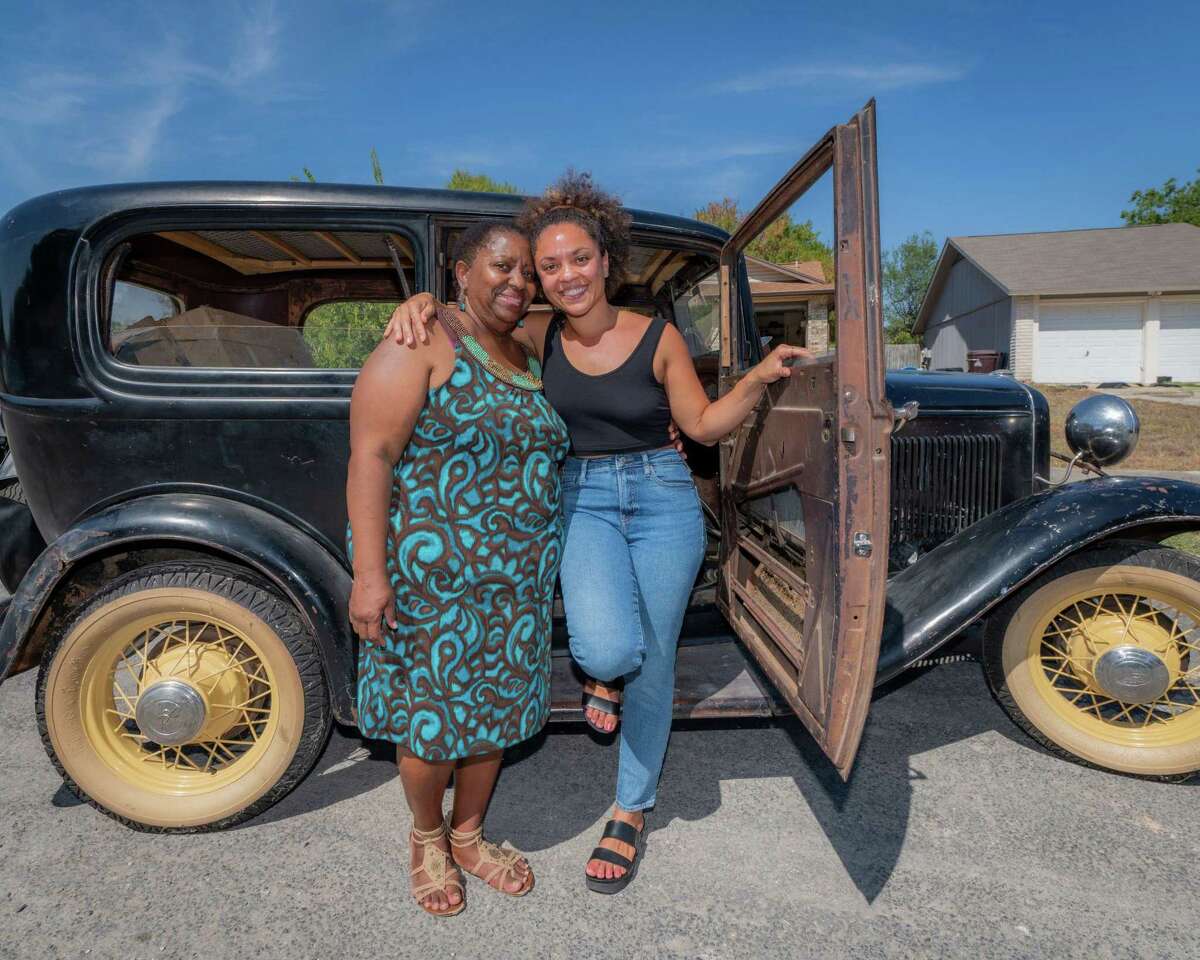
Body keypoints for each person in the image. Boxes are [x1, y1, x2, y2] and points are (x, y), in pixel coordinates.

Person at [385, 172, 807, 894]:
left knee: (657, 660)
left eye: (578, 259)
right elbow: (472, 317)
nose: (564, 275)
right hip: (580, 496)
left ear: (606, 260)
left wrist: (762, 377)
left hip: (665, 499)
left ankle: (631, 808)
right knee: (607, 645)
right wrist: (424, 301)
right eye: (549, 266)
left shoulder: (660, 337)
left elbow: (701, 425)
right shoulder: (537, 332)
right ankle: (601, 678)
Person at [347, 221, 568, 916]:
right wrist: (370, 575)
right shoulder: (419, 340)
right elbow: (371, 457)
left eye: (528, 273)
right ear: (462, 272)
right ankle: (428, 836)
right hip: (433, 582)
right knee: (433, 721)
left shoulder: (526, 345)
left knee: (494, 714)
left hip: (517, 585)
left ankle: (470, 834)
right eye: (501, 268)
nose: (518, 283)